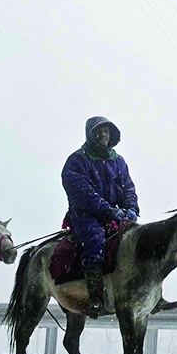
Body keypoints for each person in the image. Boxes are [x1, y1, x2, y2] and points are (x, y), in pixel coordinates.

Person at [62, 116, 139, 317]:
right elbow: (84, 194)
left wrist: (132, 209)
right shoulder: (77, 161)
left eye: (106, 131)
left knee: (138, 241)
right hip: (85, 216)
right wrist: (110, 211)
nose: (103, 135)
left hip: (115, 214)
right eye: (99, 131)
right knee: (96, 242)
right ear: (90, 134)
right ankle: (94, 297)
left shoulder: (119, 161)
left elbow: (128, 188)